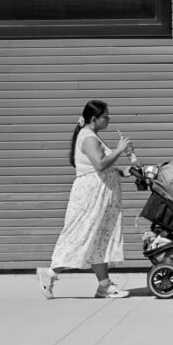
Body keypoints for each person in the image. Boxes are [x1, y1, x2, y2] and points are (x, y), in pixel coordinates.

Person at [36, 100, 135, 299]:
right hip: (91, 196)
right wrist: (119, 150)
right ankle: (50, 273)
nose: (108, 119)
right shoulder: (89, 138)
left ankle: (104, 286)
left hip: (100, 195)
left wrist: (119, 172)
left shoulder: (93, 136)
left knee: (99, 240)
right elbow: (99, 164)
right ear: (93, 119)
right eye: (105, 116)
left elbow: (99, 167)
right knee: (83, 236)